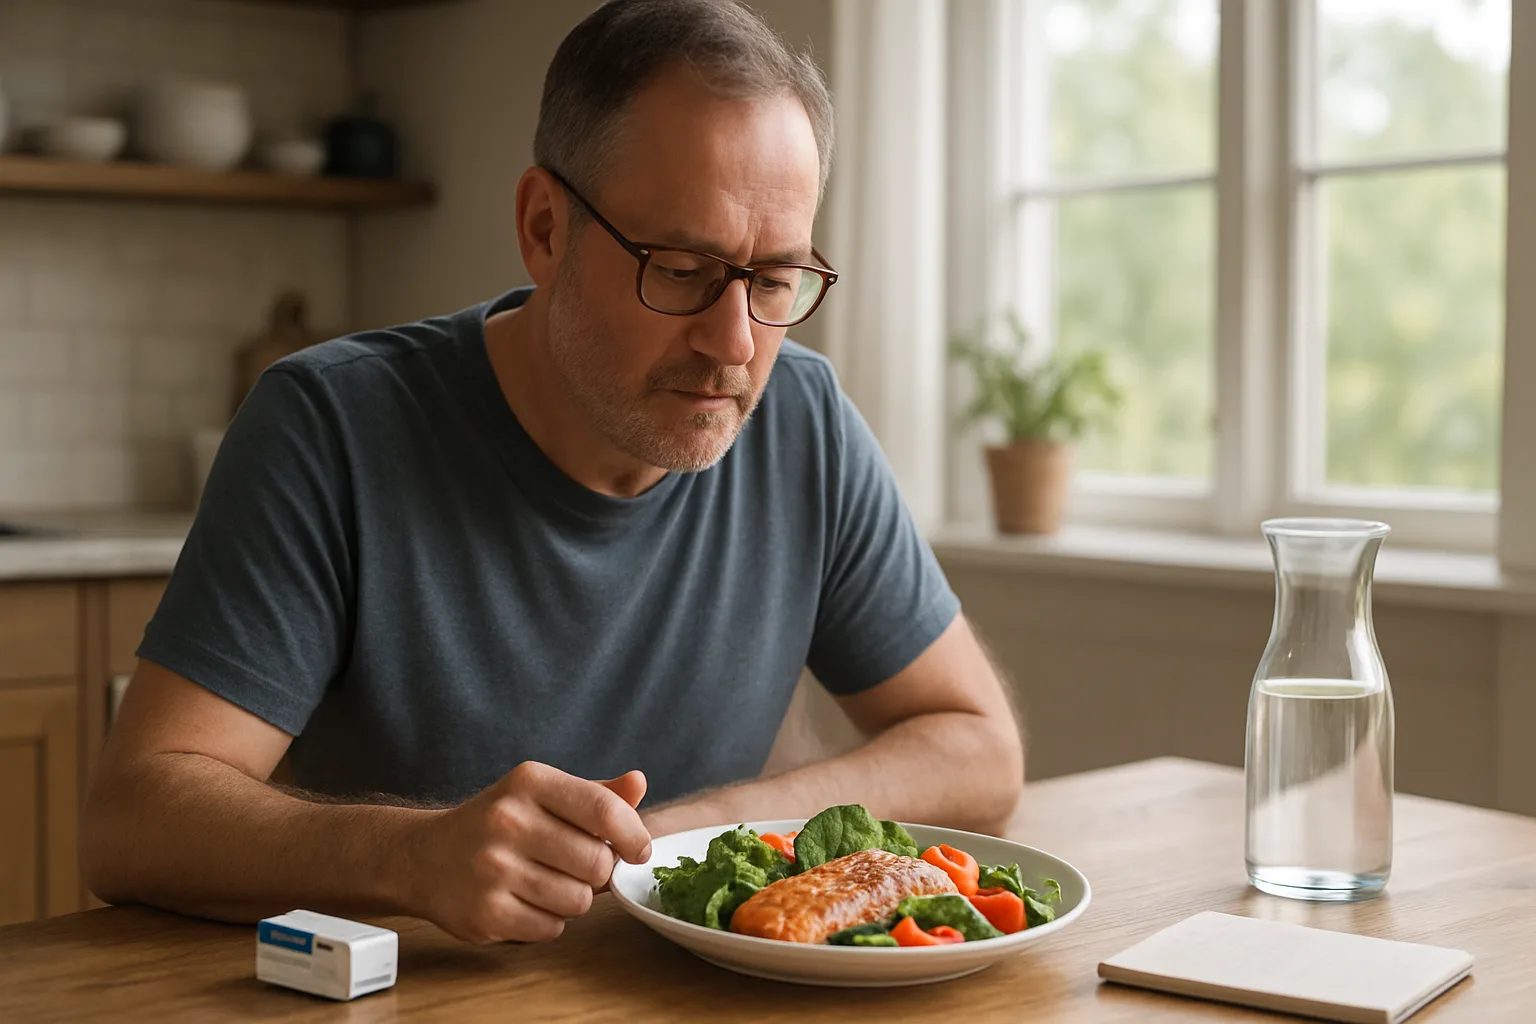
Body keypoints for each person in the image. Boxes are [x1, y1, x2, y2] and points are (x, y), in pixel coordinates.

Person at [81, 0, 1022, 945]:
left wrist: (681, 841)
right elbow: (132, 824)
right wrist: (411, 855)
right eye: (682, 269)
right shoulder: (330, 427)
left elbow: (978, 750)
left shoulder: (805, 421)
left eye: (774, 279)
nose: (734, 343)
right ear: (543, 228)